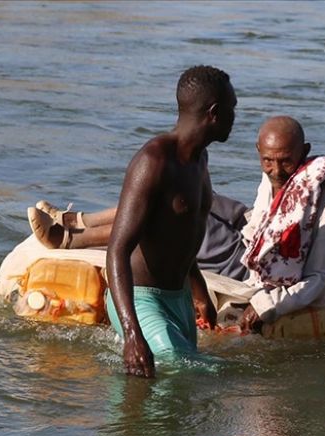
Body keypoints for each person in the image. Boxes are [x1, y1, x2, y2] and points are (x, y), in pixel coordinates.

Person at [62, 65, 236, 378]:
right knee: (182, 371)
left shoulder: (200, 161)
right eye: (232, 109)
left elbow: (181, 235)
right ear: (213, 112)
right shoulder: (153, 162)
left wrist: (198, 292)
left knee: (174, 400)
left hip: (179, 299)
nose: (236, 117)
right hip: (142, 298)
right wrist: (132, 333)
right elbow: (117, 249)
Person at [239, 116, 325, 331]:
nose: (276, 171)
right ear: (258, 151)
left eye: (286, 161)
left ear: (304, 151)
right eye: (268, 161)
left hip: (310, 294)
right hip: (270, 283)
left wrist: (265, 305)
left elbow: (322, 278)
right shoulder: (270, 181)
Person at [28, 192, 250, 281]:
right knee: (186, 191)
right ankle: (77, 220)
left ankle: (72, 237)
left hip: (245, 258)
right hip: (252, 228)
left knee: (171, 211)